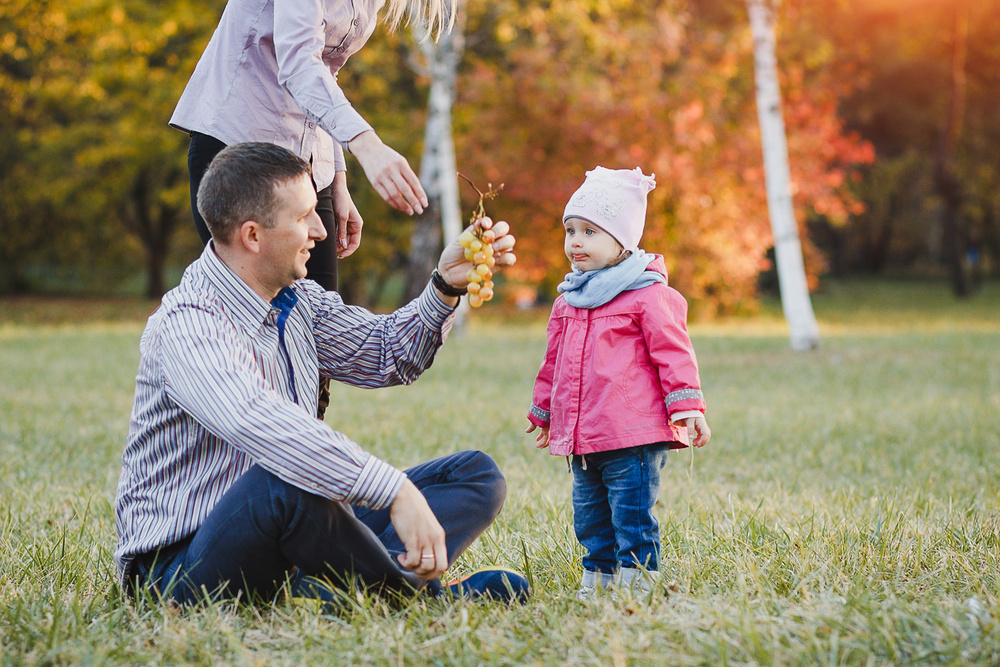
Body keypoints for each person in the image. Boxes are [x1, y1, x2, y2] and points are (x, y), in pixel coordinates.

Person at [114, 142, 528, 607]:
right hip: (179, 569)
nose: (319, 229)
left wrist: (445, 285)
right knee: (284, 479)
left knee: (472, 475)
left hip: (289, 532)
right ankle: (417, 600)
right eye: (304, 216)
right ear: (253, 235)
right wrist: (392, 490)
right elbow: (259, 423)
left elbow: (387, 353)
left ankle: (344, 589)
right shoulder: (189, 323)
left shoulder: (297, 300)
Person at [170, 0, 453, 290]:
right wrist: (367, 145)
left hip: (305, 162)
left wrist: (336, 179)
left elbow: (324, 72)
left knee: (321, 315)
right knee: (252, 308)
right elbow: (300, 63)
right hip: (237, 147)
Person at [524, 166, 711, 600]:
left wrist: (687, 405)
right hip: (585, 435)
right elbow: (555, 361)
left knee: (631, 514)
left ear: (622, 241)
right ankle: (599, 579)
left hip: (633, 433)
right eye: (570, 230)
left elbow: (674, 351)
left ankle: (638, 583)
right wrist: (544, 409)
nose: (575, 241)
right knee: (589, 515)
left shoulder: (647, 294)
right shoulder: (569, 300)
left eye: (590, 231)